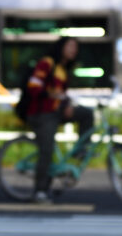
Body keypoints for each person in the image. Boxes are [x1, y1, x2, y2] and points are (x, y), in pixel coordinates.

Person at [24, 36, 94, 205]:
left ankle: (80, 150)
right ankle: (40, 190)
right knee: (46, 150)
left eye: (75, 47)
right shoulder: (47, 63)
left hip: (56, 112)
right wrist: (57, 97)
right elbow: (34, 87)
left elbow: (61, 95)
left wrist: (66, 104)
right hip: (41, 113)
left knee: (87, 114)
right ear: (61, 47)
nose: (73, 50)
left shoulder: (63, 69)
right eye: (70, 46)